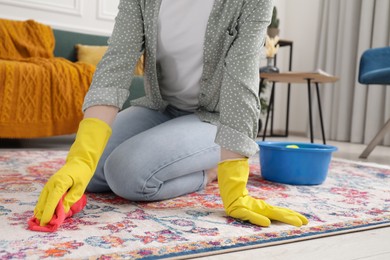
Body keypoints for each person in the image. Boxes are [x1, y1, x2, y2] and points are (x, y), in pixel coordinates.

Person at [33, 0, 308, 229]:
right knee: (90, 176)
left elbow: (242, 83)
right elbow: (116, 63)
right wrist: (81, 158)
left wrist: (235, 188)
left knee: (125, 175)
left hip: (214, 118)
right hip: (161, 107)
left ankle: (209, 172)